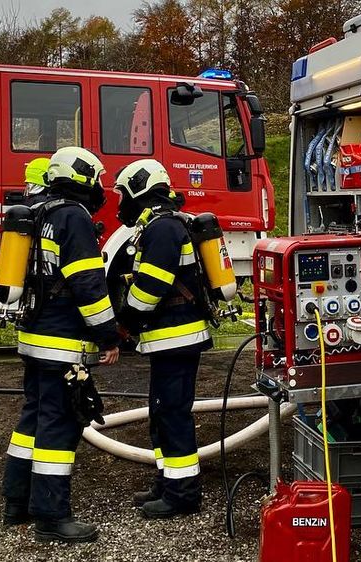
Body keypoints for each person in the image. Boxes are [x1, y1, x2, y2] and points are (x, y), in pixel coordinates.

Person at [0, 146, 120, 544]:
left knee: (31, 419)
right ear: (82, 177)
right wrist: (108, 334)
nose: (101, 187)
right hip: (63, 341)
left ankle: (16, 503)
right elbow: (88, 283)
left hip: (33, 337)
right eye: (97, 178)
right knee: (58, 425)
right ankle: (52, 518)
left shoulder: (35, 212)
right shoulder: (73, 216)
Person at [114, 159, 211, 519]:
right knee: (161, 413)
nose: (120, 201)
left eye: (123, 194)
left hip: (177, 338)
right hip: (168, 338)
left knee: (173, 415)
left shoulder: (163, 228)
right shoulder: (158, 226)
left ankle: (183, 494)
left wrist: (124, 321)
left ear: (139, 190)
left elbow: (150, 289)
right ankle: (167, 482)